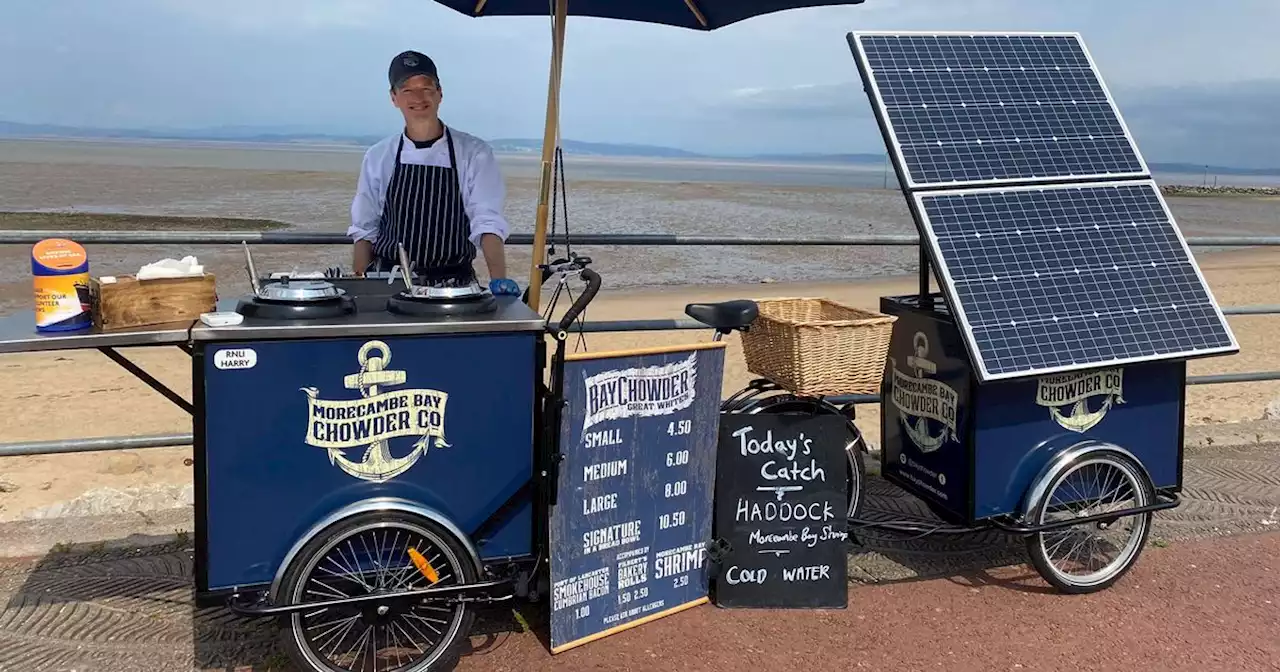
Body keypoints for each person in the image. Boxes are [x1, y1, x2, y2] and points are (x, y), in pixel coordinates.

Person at [348, 50, 519, 295]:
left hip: (454, 288)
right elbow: (365, 229)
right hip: (389, 285)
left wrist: (499, 280)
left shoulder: (474, 153)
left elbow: (487, 222)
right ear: (394, 98)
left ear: (440, 94)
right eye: (407, 89)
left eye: (426, 88)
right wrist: (361, 288)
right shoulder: (378, 156)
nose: (418, 97)